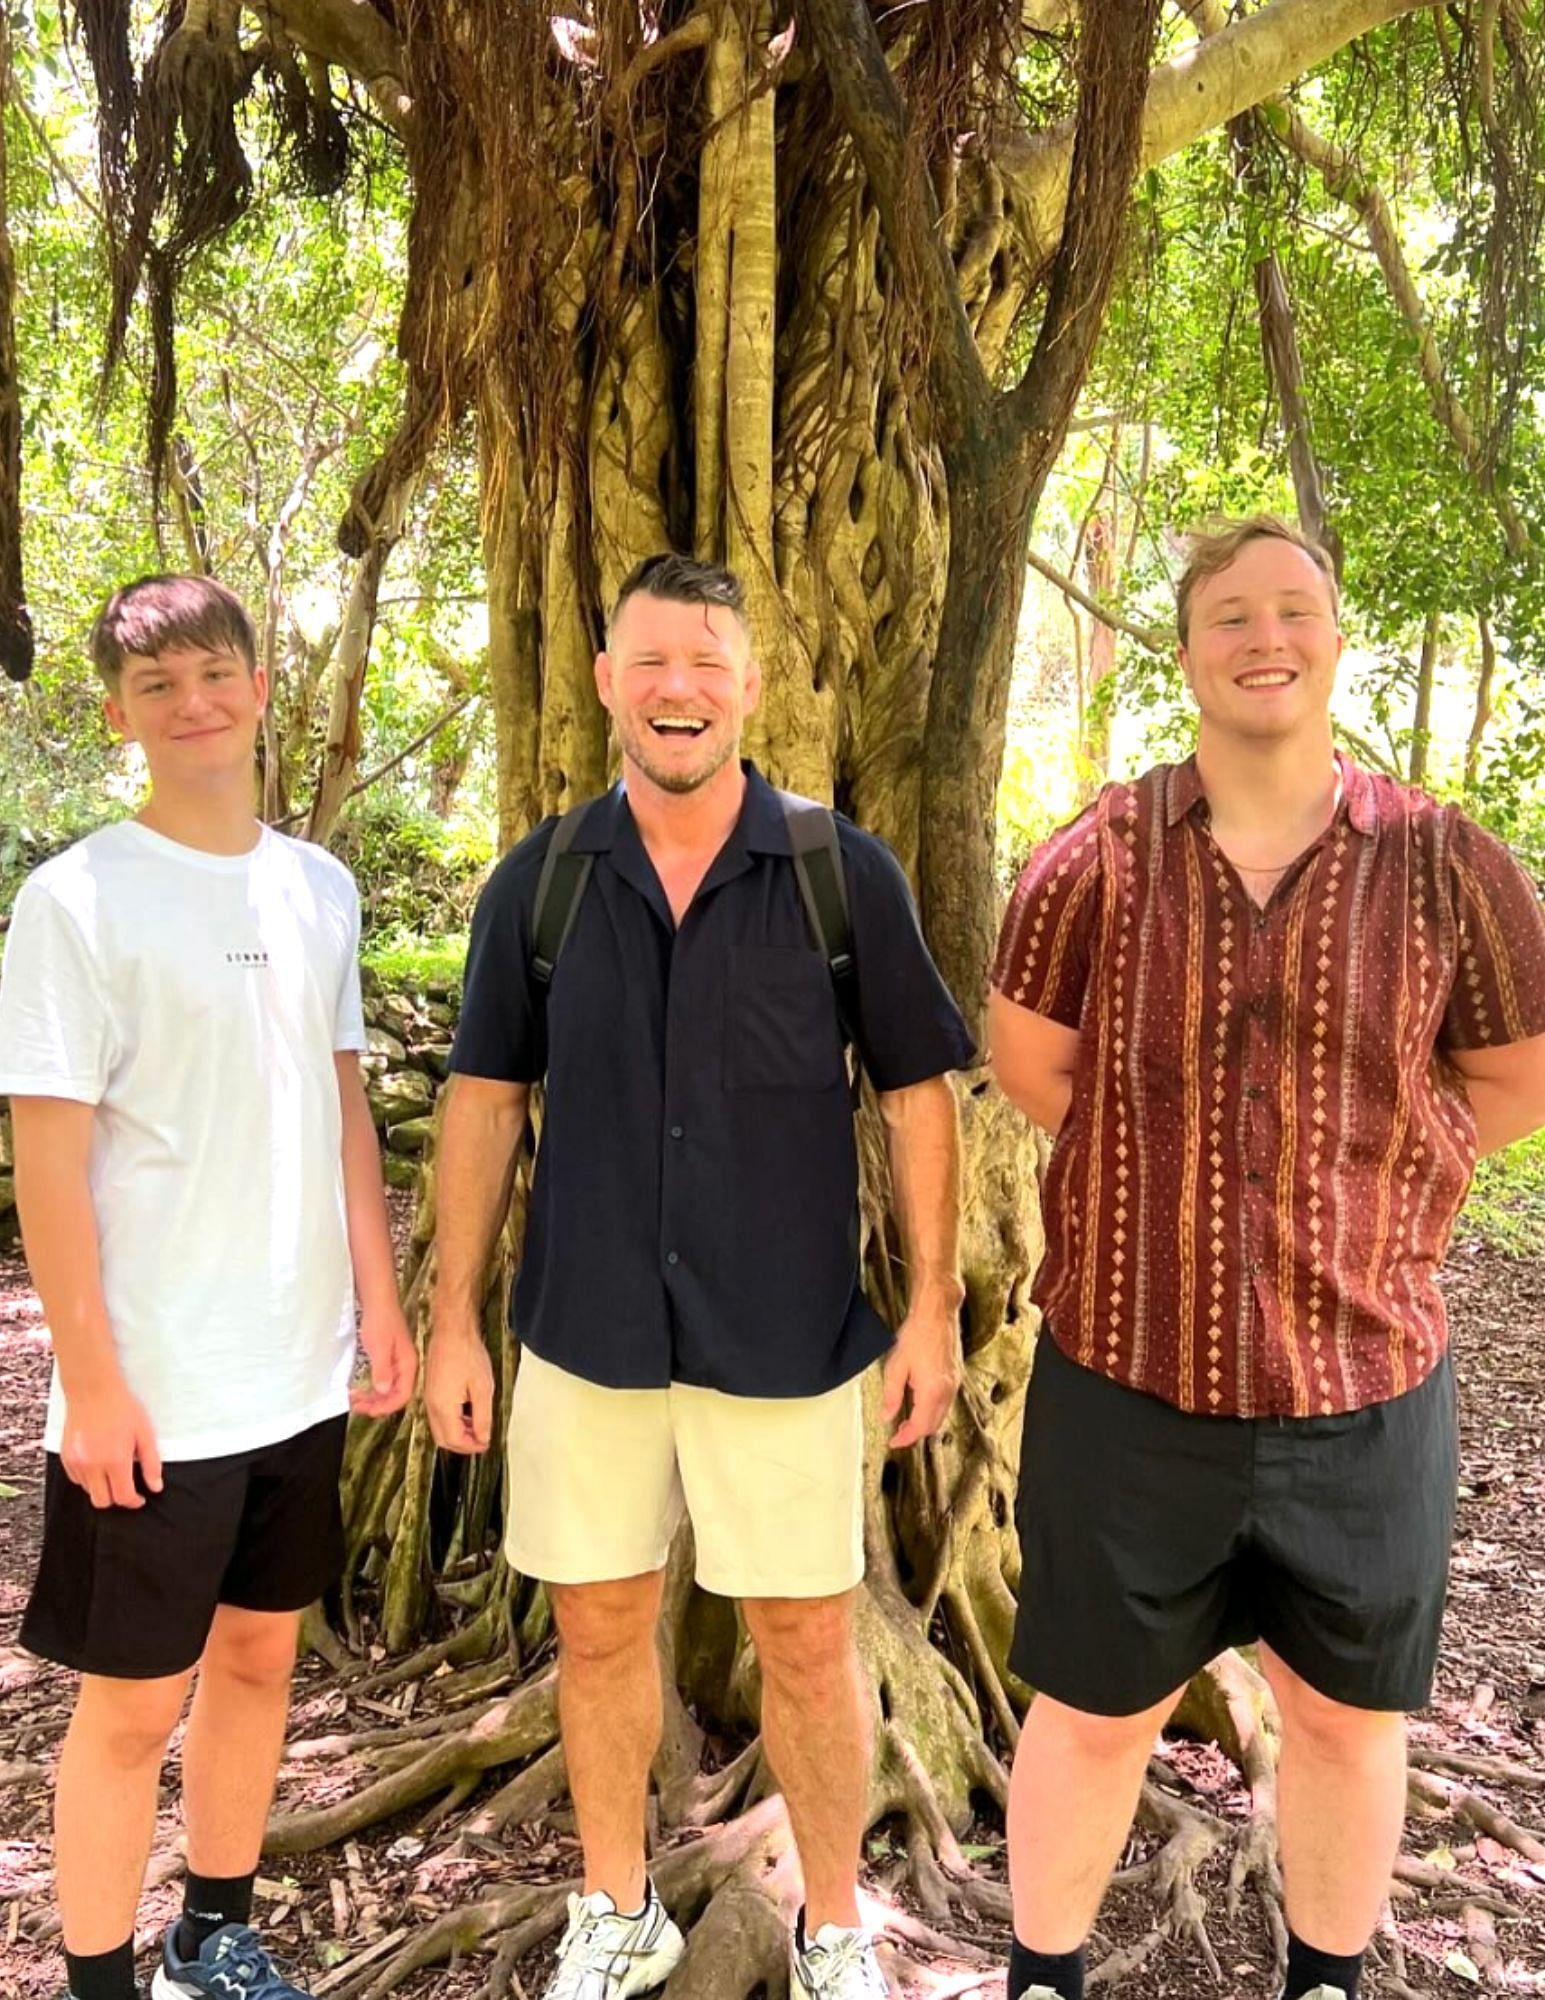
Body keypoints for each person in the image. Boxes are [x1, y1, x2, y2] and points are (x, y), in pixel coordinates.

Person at [989, 516, 1545, 2000]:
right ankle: (1041, 1978)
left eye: (1292, 610)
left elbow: (1509, 1081)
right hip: (1125, 1377)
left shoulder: (1444, 867)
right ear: (1184, 655)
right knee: (1094, 1711)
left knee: (1347, 1721)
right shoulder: (1096, 857)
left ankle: (1324, 1981)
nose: (1263, 637)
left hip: (1359, 1382)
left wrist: (1361, 1180)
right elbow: (1032, 1063)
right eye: (1228, 616)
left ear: (1334, 638)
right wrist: (1160, 1177)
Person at [424, 553, 975, 2000]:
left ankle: (836, 1925)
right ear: (606, 680)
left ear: (749, 683)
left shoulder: (832, 871)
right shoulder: (540, 884)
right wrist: (450, 1327)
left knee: (802, 1637)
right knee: (597, 1628)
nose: (679, 689)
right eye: (650, 661)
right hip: (585, 1331)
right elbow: (481, 1103)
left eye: (707, 662)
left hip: (784, 1337)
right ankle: (614, 1913)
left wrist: (931, 1309)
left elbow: (919, 1096)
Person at [0, 577, 416, 2000]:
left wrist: (381, 1299)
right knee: (128, 1708)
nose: (194, 703)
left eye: (215, 673)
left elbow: (344, 1108)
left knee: (256, 1661)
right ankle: (101, 1978)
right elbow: (47, 1160)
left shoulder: (317, 885)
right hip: (154, 1388)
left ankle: (210, 1934)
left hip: (295, 1369)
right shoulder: (75, 901)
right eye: (159, 684)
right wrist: (95, 1382)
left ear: (257, 687)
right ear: (119, 715)